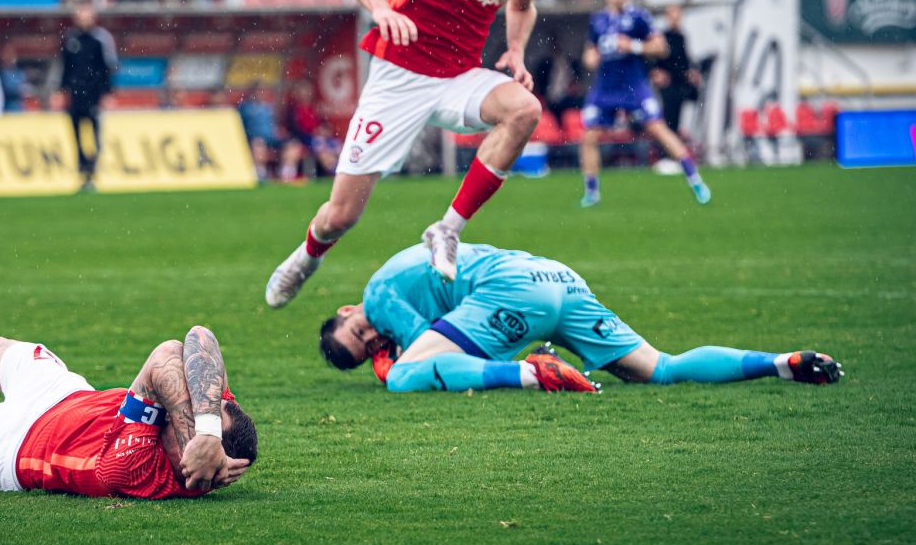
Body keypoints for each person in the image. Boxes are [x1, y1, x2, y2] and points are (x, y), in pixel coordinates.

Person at [265, 0, 546, 309]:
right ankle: (307, 256)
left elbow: (523, 5)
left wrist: (515, 48)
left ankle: (447, 229)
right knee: (341, 215)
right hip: (400, 75)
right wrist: (380, 8)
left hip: (459, 77)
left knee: (524, 109)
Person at [319, 242, 843, 393]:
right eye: (367, 347)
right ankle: (778, 363)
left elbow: (418, 350)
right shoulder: (403, 275)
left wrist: (387, 362)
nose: (373, 334)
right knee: (659, 369)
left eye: (359, 330)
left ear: (348, 310)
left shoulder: (377, 293)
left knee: (405, 378)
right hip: (556, 277)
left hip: (509, 291)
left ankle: (531, 373)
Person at [0, 325, 257, 499]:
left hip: (7, 449)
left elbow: (167, 352)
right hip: (65, 395)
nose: (190, 405)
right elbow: (199, 336)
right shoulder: (204, 418)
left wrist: (202, 437)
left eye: (201, 425)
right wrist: (206, 431)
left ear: (201, 465)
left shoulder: (137, 472)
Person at [579, 0, 711, 208]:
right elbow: (589, 53)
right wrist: (591, 58)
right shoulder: (598, 20)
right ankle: (592, 192)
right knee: (589, 136)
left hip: (634, 84)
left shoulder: (639, 17)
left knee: (658, 129)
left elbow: (661, 47)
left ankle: (695, 179)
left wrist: (633, 45)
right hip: (606, 86)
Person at [59, 2, 118, 191]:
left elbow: (107, 68)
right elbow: (65, 69)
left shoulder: (101, 39)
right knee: (77, 137)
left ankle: (92, 171)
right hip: (76, 98)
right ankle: (82, 170)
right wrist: (62, 91)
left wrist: (107, 93)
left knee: (95, 137)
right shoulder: (70, 39)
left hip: (94, 96)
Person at [651, 4, 703, 138]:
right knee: (667, 119)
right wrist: (655, 72)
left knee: (676, 119)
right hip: (667, 85)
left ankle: (672, 144)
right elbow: (654, 60)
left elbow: (684, 60)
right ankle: (666, 147)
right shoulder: (662, 36)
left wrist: (691, 72)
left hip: (679, 83)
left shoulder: (681, 37)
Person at [0, 42, 29, 113]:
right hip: (3, 110)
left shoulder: (19, 72)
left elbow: (26, 90)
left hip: (19, 109)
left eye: (11, 52)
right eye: (6, 52)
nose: (9, 55)